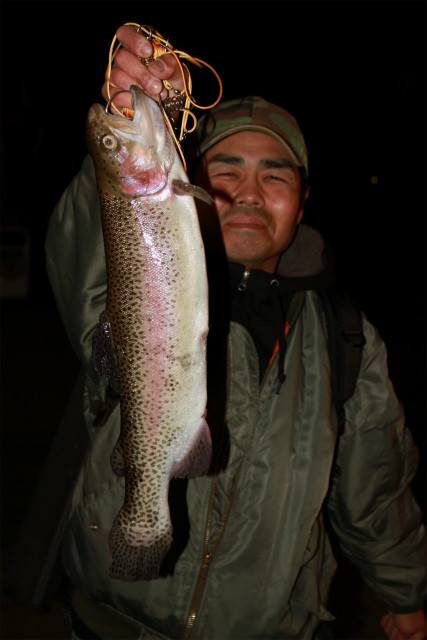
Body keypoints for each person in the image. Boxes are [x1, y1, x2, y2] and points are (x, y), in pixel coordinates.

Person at [44, 24, 426, 640]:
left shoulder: (349, 340)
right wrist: (148, 116)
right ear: (191, 182)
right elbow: (88, 254)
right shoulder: (141, 264)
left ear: (302, 202)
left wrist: (404, 592)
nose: (248, 192)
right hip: (112, 624)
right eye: (227, 169)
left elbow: (376, 490)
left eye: (275, 175)